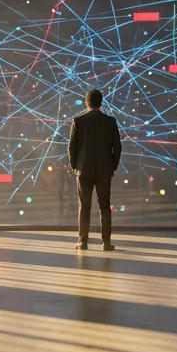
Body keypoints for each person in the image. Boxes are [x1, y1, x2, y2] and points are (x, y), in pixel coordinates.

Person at [67, 88, 123, 251]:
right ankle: (106, 242)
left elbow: (71, 148)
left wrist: (75, 166)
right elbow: (117, 147)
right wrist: (112, 165)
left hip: (84, 170)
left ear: (87, 102)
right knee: (104, 206)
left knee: (84, 206)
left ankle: (83, 241)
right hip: (104, 170)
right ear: (101, 103)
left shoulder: (78, 122)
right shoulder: (110, 122)